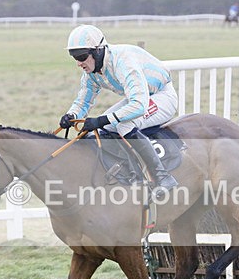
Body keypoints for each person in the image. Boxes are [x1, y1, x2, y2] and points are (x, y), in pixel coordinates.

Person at [59, 24, 178, 201]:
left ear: (98, 51)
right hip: (140, 97)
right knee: (95, 131)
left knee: (123, 124)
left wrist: (102, 120)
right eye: (74, 57)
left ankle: (163, 177)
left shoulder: (123, 62)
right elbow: (83, 101)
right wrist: (72, 115)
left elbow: (139, 105)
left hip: (162, 97)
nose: (78, 63)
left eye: (82, 56)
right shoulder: (92, 72)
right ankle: (127, 174)